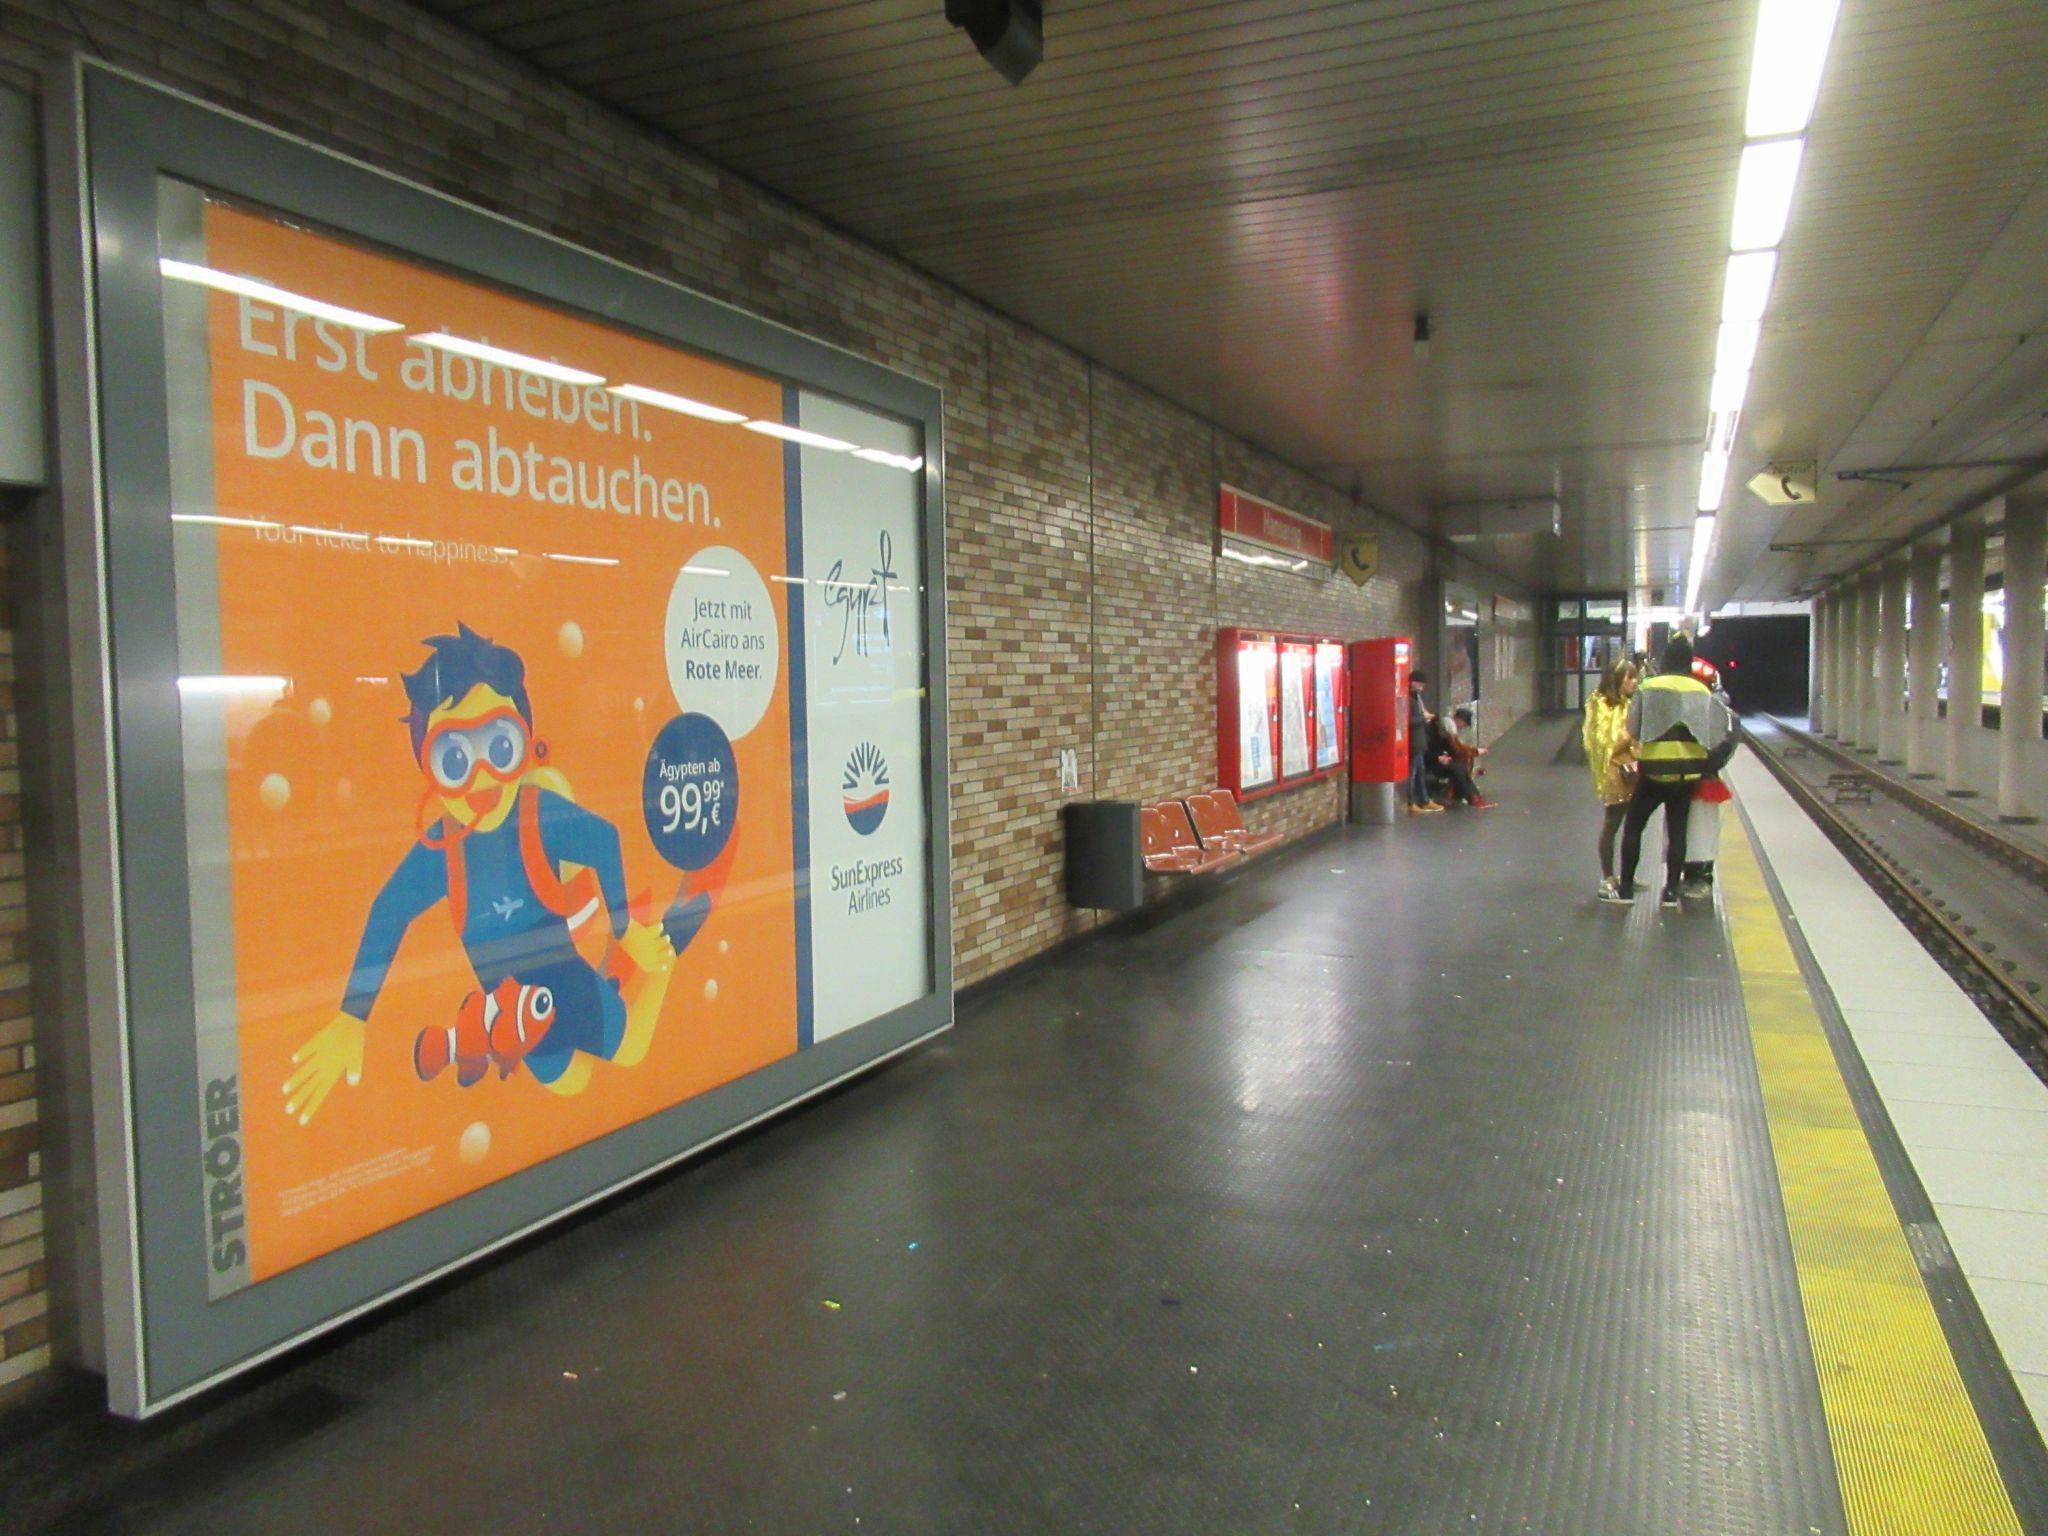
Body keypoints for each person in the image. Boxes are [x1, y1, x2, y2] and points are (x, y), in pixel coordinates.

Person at [1616, 634, 1736, 908]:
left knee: (1634, 826)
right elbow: (1713, 733)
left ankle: (1626, 889)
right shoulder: (1701, 691)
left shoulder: (1649, 686)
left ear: (1666, 659)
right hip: (1688, 771)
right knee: (1677, 829)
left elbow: (1633, 728)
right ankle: (1670, 892)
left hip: (1655, 768)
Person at [1583, 657, 1638, 900]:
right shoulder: (1599, 705)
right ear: (1617, 680)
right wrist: (1632, 734)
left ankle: (1627, 874)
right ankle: (1607, 877)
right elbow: (1604, 743)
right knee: (1612, 825)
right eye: (1630, 678)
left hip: (1632, 771)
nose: (1634, 682)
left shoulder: (1629, 704)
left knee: (1633, 826)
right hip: (1614, 774)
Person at [1681, 656, 1734, 896]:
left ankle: (1700, 875)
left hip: (1698, 780)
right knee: (1697, 829)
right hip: (1700, 778)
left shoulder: (1714, 712)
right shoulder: (1721, 712)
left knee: (1698, 829)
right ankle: (1693, 874)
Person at [1429, 706, 1497, 808]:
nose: (1463, 727)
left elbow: (1456, 749)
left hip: (1439, 758)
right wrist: (1475, 751)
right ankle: (1473, 797)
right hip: (1432, 760)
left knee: (1460, 764)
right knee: (1457, 767)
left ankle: (1473, 795)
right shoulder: (1448, 730)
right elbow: (1457, 749)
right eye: (1464, 724)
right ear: (1459, 720)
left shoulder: (1447, 728)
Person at [1405, 668, 1443, 814]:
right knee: (1412, 774)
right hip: (1414, 741)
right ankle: (1411, 802)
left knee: (1420, 773)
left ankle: (1424, 800)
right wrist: (1424, 718)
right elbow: (1407, 720)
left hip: (1419, 741)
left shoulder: (1416, 698)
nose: (1421, 688)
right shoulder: (1409, 699)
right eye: (1420, 684)